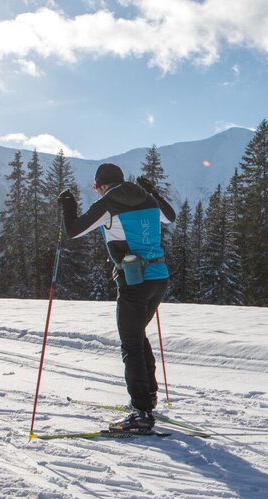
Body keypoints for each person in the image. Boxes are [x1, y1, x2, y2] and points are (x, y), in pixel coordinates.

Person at [58, 163, 176, 432]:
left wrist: (68, 206)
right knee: (137, 335)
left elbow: (73, 231)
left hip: (135, 281)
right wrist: (153, 191)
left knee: (131, 344)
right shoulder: (147, 197)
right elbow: (170, 217)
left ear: (98, 186)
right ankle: (148, 399)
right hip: (159, 277)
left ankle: (141, 413)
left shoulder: (108, 204)